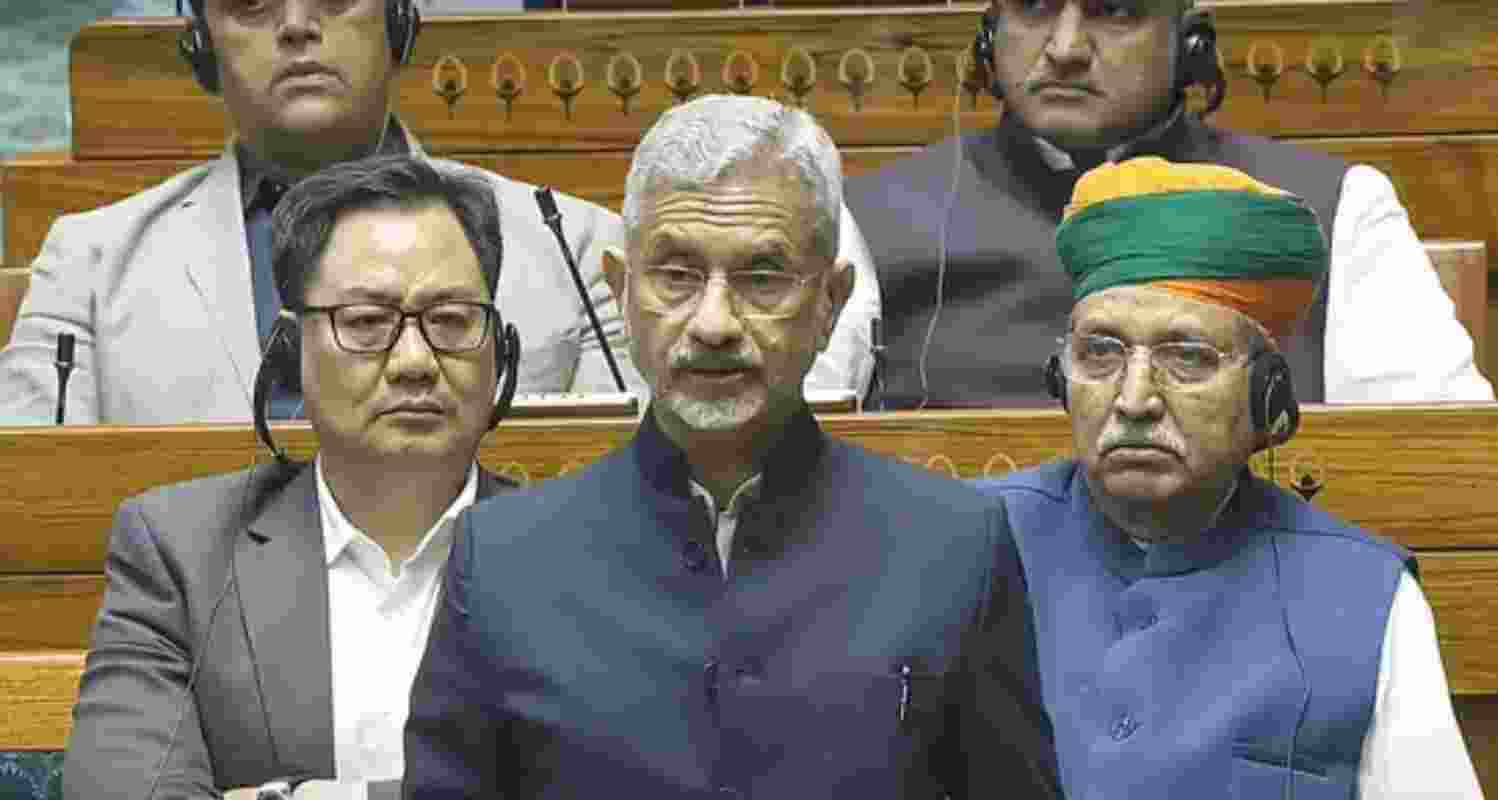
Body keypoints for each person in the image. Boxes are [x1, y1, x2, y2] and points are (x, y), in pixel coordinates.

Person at [402, 95, 1061, 799]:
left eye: (763, 277)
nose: (713, 323)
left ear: (830, 303)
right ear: (622, 291)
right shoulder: (503, 563)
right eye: (676, 276)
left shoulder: (955, 548)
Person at [0, 0, 878, 423]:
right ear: (200, 44)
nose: (298, 25)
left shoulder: (567, 242)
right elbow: (34, 515)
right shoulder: (91, 257)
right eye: (253, 2)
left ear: (399, 23)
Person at [975, 157, 1482, 798]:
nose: (1134, 398)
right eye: (1100, 352)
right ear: (1060, 378)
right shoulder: (964, 548)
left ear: (1267, 398)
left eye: (1187, 357)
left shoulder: (1364, 597)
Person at [62, 156, 523, 800]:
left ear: (499, 347)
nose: (415, 361)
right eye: (366, 323)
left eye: (451, 320)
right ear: (288, 354)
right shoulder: (181, 554)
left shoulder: (586, 552)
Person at [845, 0, 1491, 409]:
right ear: (990, 36)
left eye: (1115, 12)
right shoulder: (864, 221)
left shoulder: (1336, 207)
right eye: (1035, 7)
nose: (1065, 47)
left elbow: (1431, 468)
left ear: (1190, 43)